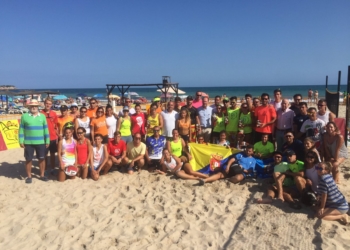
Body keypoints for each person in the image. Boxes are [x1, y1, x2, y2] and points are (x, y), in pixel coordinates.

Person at [19, 99, 50, 183]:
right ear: (29, 107)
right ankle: (29, 176)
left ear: (38, 107)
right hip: (28, 143)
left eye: (35, 106)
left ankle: (42, 175)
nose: (34, 107)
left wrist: (47, 140)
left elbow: (45, 129)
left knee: (42, 159)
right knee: (28, 159)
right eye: (32, 106)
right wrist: (21, 141)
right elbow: (21, 130)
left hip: (41, 142)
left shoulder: (42, 116)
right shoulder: (24, 116)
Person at [41, 98, 58, 173]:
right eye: (47, 103)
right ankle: (45, 169)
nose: (48, 105)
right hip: (43, 138)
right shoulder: (40, 113)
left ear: (51, 105)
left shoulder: (54, 114)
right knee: (44, 155)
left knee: (52, 154)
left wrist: (58, 135)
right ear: (44, 104)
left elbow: (56, 126)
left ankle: (53, 168)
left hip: (53, 137)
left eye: (50, 104)